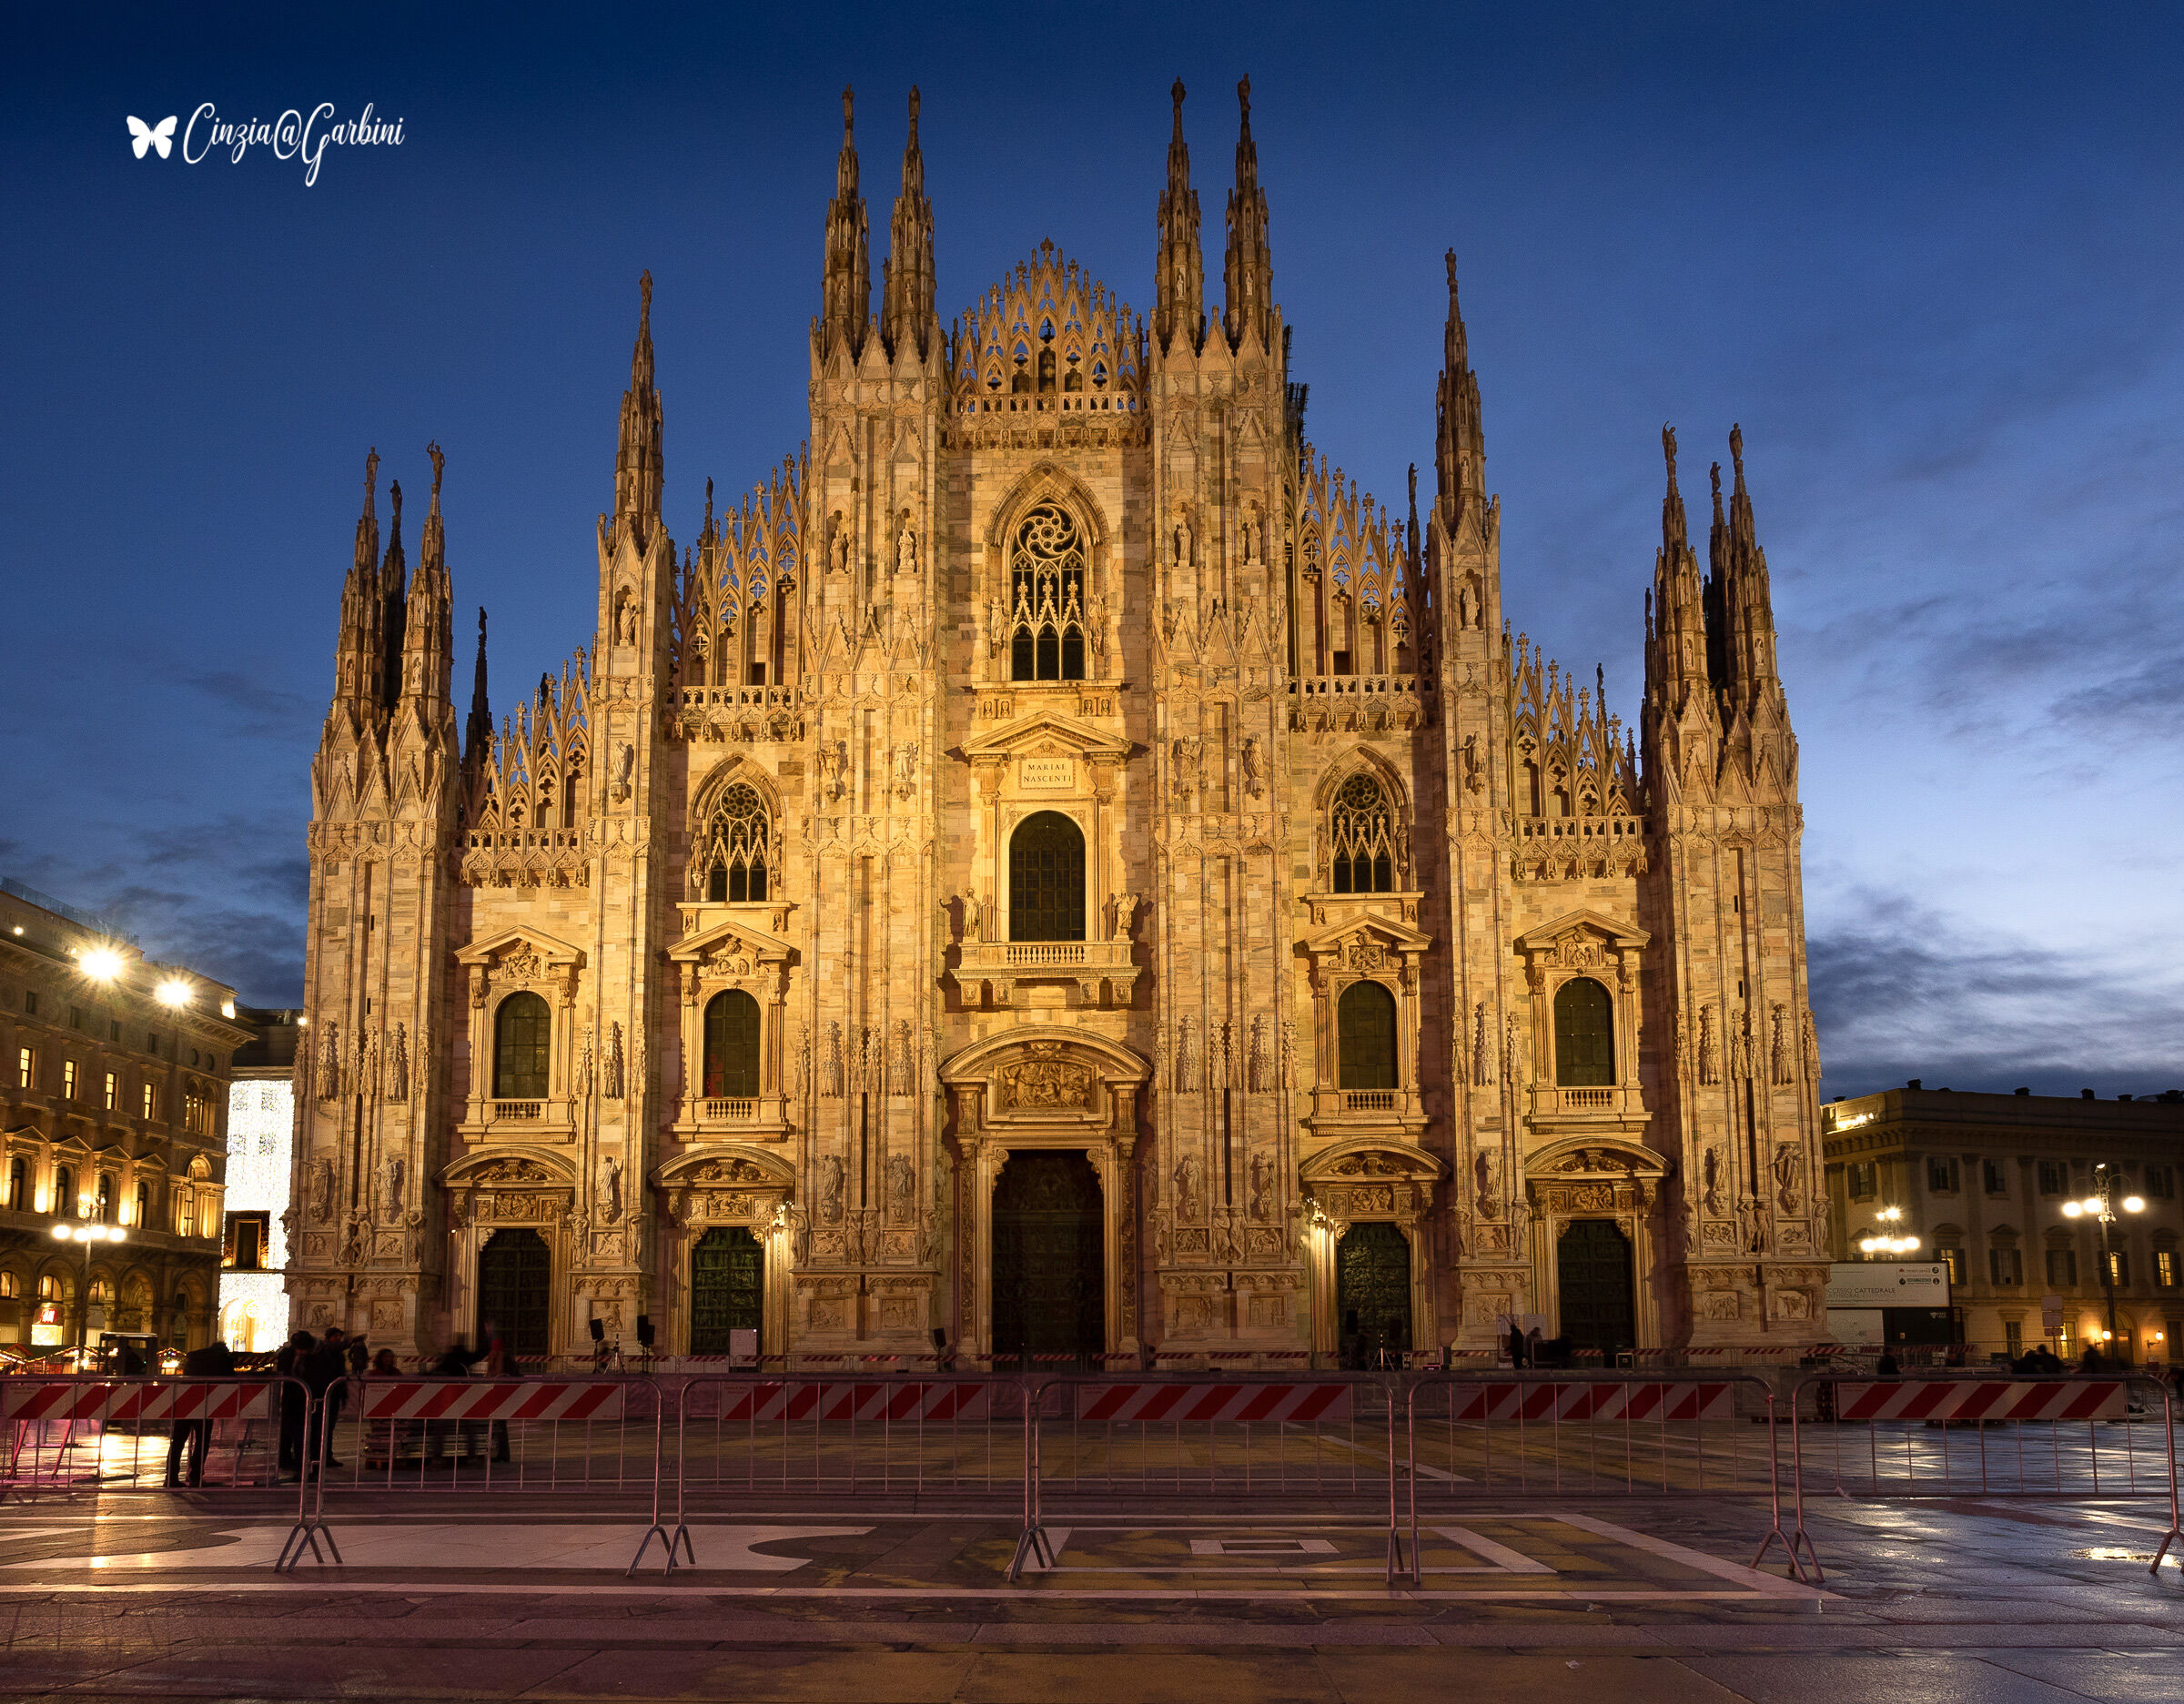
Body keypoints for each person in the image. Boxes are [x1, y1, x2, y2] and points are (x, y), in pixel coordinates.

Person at [165, 1338, 235, 1488]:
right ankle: (196, 1475)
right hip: (205, 1402)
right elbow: (231, 1380)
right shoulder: (223, 1360)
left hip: (186, 1400)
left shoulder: (194, 1357)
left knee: (177, 1441)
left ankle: (171, 1477)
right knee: (202, 1440)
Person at [274, 1330, 316, 1479]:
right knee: (290, 1432)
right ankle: (287, 1460)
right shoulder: (288, 1355)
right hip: (290, 1399)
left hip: (303, 1399)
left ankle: (300, 1464)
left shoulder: (312, 1356)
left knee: (300, 1434)